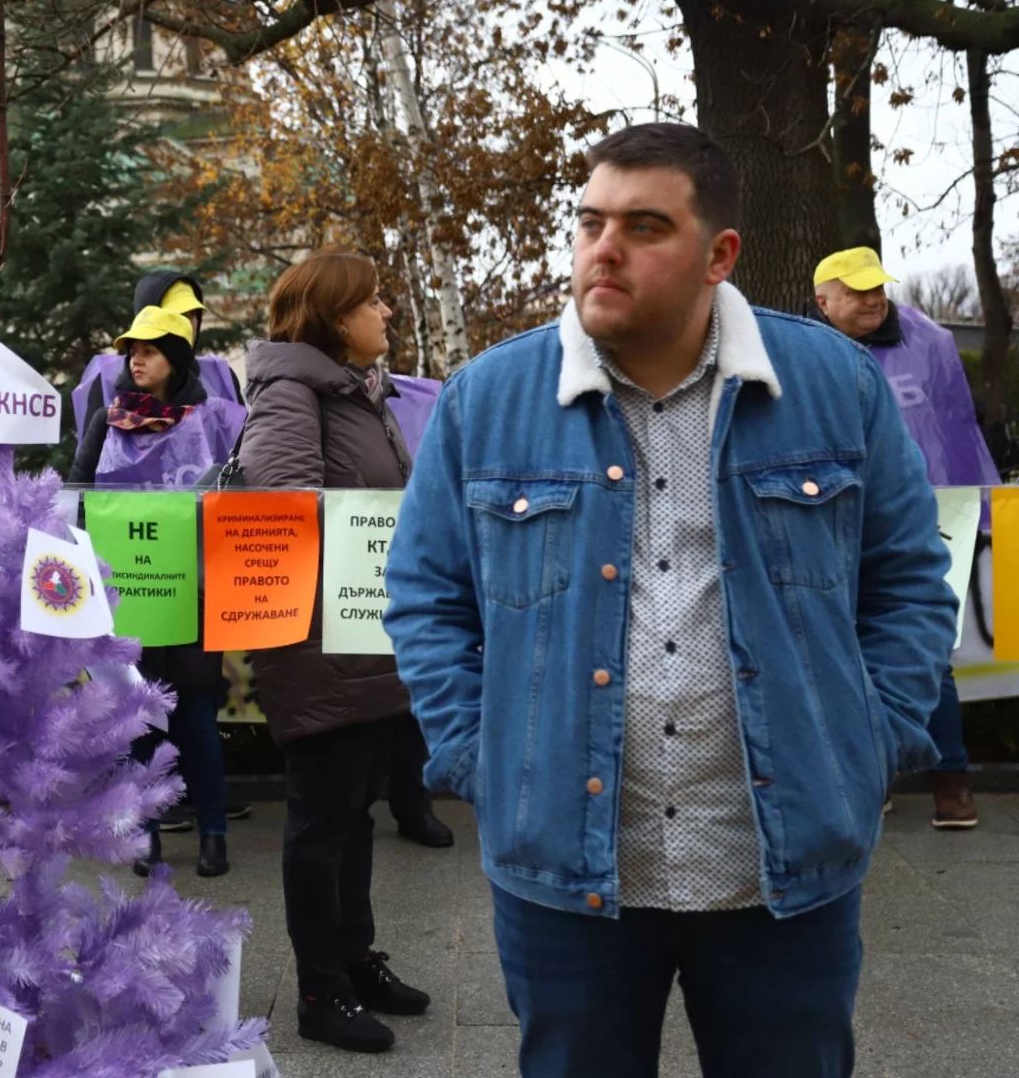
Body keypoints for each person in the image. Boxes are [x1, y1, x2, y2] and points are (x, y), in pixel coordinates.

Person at [387, 123, 957, 1078]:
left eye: (644, 226)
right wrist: (480, 757)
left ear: (718, 255)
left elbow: (907, 580)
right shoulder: (486, 400)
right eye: (589, 222)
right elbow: (424, 597)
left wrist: (873, 737)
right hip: (565, 875)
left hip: (786, 872)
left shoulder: (833, 386)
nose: (602, 249)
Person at [237, 252, 437, 1055]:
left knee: (354, 816)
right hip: (318, 642)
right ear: (332, 315)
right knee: (323, 821)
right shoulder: (291, 395)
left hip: (366, 636)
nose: (385, 311)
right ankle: (320, 991)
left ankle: (355, 960)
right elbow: (286, 515)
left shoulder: (356, 392)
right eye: (372, 301)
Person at [809, 246, 996, 830]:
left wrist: (978, 507)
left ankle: (951, 781)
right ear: (823, 301)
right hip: (829, 518)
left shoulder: (926, 344)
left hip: (921, 517)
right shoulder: (800, 355)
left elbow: (956, 428)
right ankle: (874, 774)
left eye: (877, 288)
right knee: (836, 646)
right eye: (858, 289)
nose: (873, 298)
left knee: (926, 644)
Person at [69, 305, 244, 879]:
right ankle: (145, 834)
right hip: (127, 597)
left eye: (148, 350)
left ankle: (213, 833)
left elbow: (241, 496)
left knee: (196, 717)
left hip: (192, 595)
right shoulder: (107, 419)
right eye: (131, 351)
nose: (135, 360)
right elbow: (78, 500)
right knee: (138, 719)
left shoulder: (215, 419)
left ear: (177, 358)